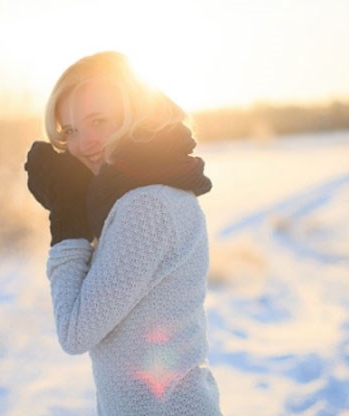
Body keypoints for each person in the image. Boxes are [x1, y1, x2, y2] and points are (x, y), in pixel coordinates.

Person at [24, 51, 222, 415]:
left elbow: (74, 332)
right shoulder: (139, 195)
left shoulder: (146, 206)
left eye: (99, 120)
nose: (84, 144)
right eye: (71, 131)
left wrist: (66, 220)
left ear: (134, 113)